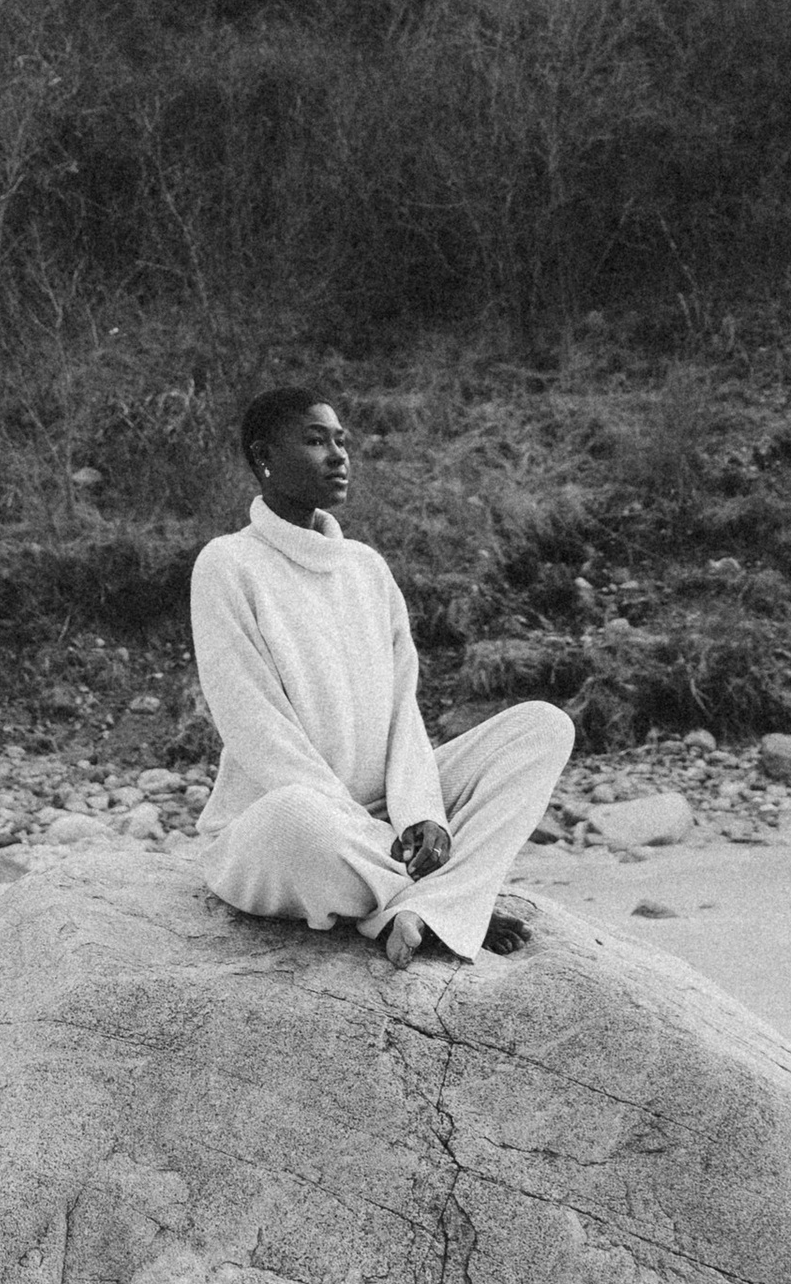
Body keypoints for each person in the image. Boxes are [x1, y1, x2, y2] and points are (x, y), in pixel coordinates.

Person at [189, 384, 574, 968]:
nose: (338, 456)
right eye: (316, 441)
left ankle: (425, 903)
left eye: (341, 441)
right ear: (263, 456)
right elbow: (255, 727)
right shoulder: (227, 564)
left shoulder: (367, 568)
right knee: (298, 815)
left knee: (543, 727)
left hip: (387, 815)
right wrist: (376, 838)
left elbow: (402, 712)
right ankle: (442, 901)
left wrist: (422, 814)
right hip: (289, 826)